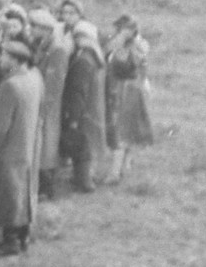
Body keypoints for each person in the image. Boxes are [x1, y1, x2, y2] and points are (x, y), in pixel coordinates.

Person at [0, 41, 42, 256]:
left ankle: (11, 240)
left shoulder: (9, 86)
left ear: (15, 60)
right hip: (28, 145)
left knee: (9, 196)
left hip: (8, 149)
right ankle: (22, 236)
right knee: (23, 192)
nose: (0, 59)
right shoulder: (35, 78)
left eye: (4, 56)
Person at [104, 15, 154, 184]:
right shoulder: (136, 46)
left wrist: (122, 39)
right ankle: (125, 166)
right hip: (130, 87)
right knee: (127, 129)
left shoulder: (132, 47)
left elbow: (121, 62)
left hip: (125, 89)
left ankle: (115, 173)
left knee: (120, 131)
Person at [61, 20, 108, 193]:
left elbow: (77, 91)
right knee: (85, 144)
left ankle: (84, 181)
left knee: (82, 145)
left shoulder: (83, 60)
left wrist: (73, 117)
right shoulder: (94, 56)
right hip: (92, 106)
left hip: (83, 109)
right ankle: (83, 179)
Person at [31, 9, 73, 198]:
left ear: (45, 29)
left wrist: (43, 107)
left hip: (48, 104)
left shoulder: (57, 49)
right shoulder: (42, 45)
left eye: (34, 27)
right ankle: (42, 186)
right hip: (39, 100)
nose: (31, 30)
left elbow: (54, 84)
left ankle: (48, 189)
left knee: (47, 145)